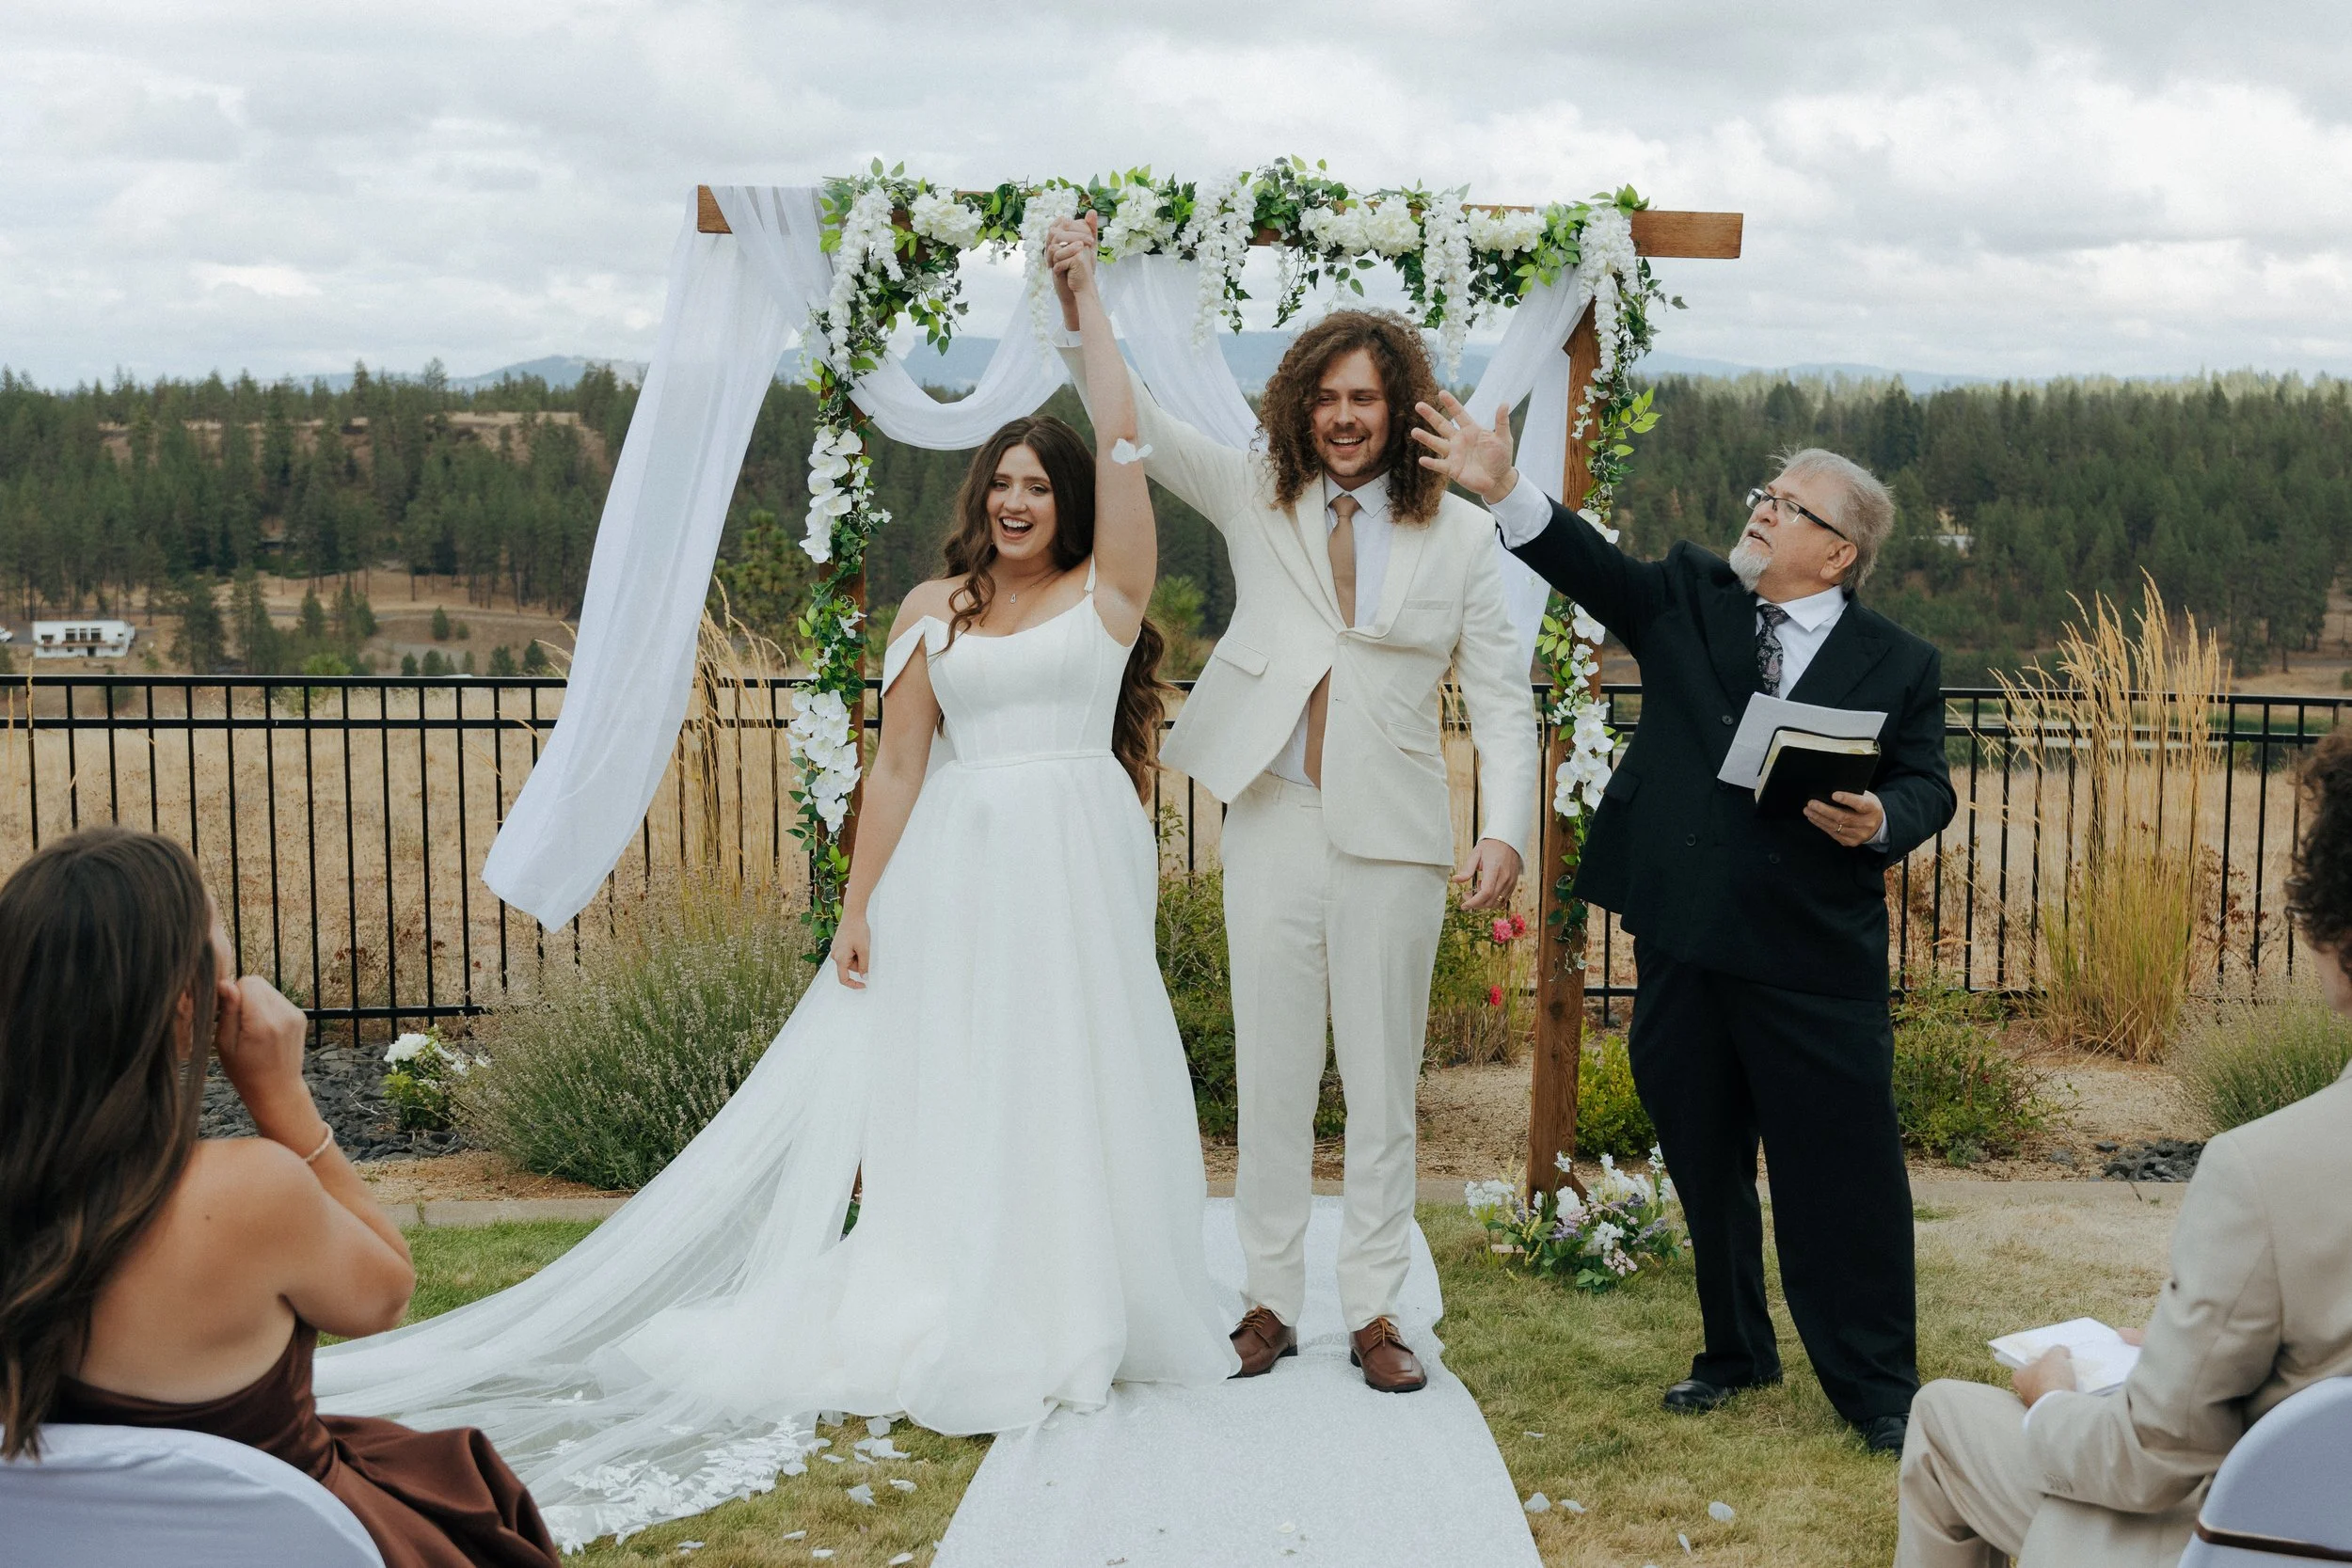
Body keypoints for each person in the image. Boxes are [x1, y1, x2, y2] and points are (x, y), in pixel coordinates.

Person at [312, 219, 1238, 1550]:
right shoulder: (937, 607)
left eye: (1041, 483)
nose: (1020, 501)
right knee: (962, 1076)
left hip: (1077, 873)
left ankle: (1079, 1293)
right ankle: (962, 1280)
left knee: (1074, 1067)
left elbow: (1130, 432)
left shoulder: (1111, 590)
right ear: (981, 499)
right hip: (957, 875)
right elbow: (901, 770)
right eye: (1003, 484)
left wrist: (1083, 307)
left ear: (1076, 501)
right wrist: (859, 905)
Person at [1045, 218, 1539, 1394]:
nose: (1345, 416)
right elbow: (1130, 422)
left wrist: (1507, 826)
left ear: (1400, 406)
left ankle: (1373, 1308)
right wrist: (1082, 300)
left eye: (1366, 396)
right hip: (1271, 814)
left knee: (1381, 1079)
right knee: (1270, 1074)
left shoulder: (1463, 535)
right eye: (1325, 396)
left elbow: (1505, 699)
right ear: (1298, 408)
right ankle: (1267, 1296)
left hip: (1398, 838)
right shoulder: (1254, 493)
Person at [1412, 392, 1954, 1450]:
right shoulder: (1691, 597)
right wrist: (1502, 483)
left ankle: (1879, 1386)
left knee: (1839, 1175)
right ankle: (1732, 1350)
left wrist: (1882, 813)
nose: (1761, 512)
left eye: (1790, 507)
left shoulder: (1901, 662)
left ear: (1840, 554)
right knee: (1703, 1157)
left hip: (1811, 954)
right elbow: (1585, 565)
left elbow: (1927, 783)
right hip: (1686, 941)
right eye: (1765, 493)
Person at [0, 826, 562, 1568]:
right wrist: (284, 1098)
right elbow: (384, 1294)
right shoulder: (250, 1190)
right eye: (217, 925)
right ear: (183, 1002)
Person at [1894, 728, 2352, 1567]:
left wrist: (2051, 1401)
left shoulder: (2269, 1171)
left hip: (2254, 1543)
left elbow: (2150, 1460)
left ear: (2330, 932)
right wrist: (2189, 1349)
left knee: (1944, 1419)